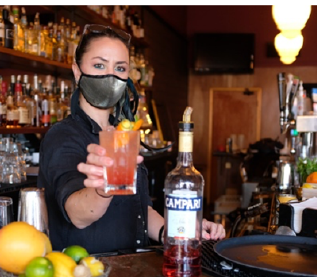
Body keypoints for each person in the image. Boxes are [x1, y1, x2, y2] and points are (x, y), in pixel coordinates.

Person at [40, 25, 227, 254]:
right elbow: (77, 215)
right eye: (99, 65)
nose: (110, 76)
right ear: (77, 72)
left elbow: (139, 209)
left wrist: (182, 232)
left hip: (132, 273)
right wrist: (103, 190)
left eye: (120, 68)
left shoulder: (122, 136)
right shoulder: (62, 136)